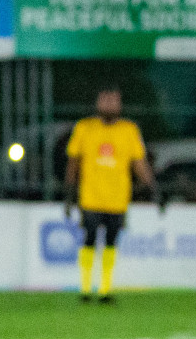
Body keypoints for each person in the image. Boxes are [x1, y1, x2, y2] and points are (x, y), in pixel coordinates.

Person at [64, 88, 156, 304]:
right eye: (105, 101)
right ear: (97, 103)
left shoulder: (129, 130)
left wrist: (152, 187)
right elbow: (73, 161)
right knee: (89, 239)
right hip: (91, 197)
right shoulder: (84, 127)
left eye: (113, 101)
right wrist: (69, 193)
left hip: (118, 199)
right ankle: (86, 289)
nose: (109, 105)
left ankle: (105, 289)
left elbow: (139, 162)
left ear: (120, 105)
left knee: (112, 242)